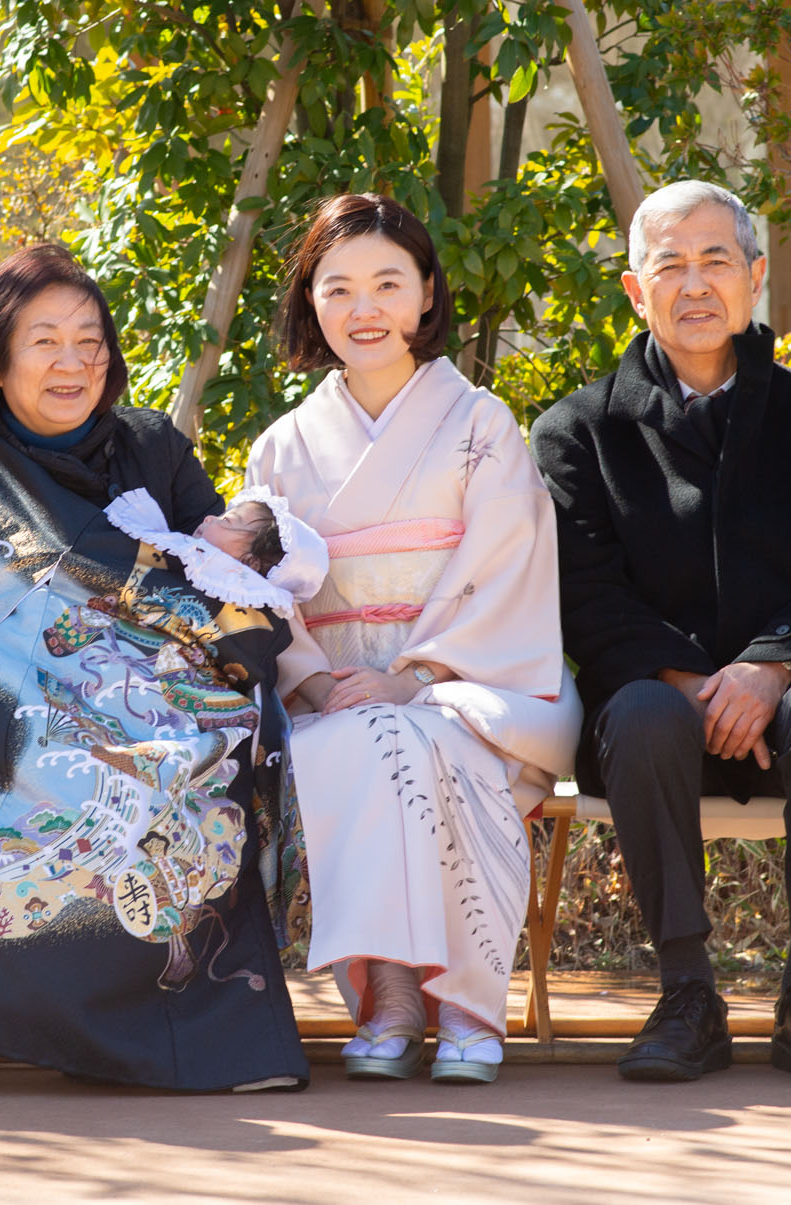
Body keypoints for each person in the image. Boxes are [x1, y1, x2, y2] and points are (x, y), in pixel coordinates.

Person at [0, 243, 310, 1092]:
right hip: (0, 704)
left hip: (160, 691)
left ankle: (179, 1027)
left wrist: (162, 658)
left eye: (90, 339)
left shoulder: (152, 443)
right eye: (45, 341)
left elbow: (221, 576)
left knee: (193, 760)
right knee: (47, 778)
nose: (73, 361)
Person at [530, 179, 791, 1084]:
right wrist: (691, 683)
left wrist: (768, 671)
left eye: (715, 261)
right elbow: (582, 592)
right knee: (645, 714)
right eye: (671, 265)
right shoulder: (577, 432)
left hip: (787, 719)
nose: (694, 284)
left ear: (754, 277)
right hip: (655, 717)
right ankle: (686, 994)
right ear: (635, 288)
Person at [245, 194, 582, 1085]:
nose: (366, 309)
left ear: (427, 295)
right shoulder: (282, 449)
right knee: (361, 738)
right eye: (339, 286)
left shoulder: (481, 425)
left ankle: (465, 1004)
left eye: (389, 283)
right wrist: (315, 683)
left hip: (470, 681)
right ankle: (393, 994)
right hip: (330, 692)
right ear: (310, 301)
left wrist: (413, 676)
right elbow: (266, 598)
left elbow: (506, 572)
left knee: (412, 732)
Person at [102, 486, 329, 616]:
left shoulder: (234, 603)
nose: (210, 518)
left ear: (249, 564)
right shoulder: (190, 554)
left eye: (227, 521)